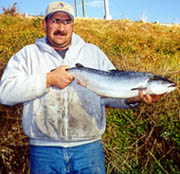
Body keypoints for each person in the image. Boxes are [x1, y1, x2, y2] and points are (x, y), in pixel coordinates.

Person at [0, 1, 163, 174]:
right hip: (44, 151)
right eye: (55, 21)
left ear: (72, 25)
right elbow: (5, 93)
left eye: (66, 22)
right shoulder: (27, 55)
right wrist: (47, 80)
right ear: (45, 24)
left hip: (89, 149)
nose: (61, 28)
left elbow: (109, 95)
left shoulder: (93, 53)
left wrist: (134, 98)